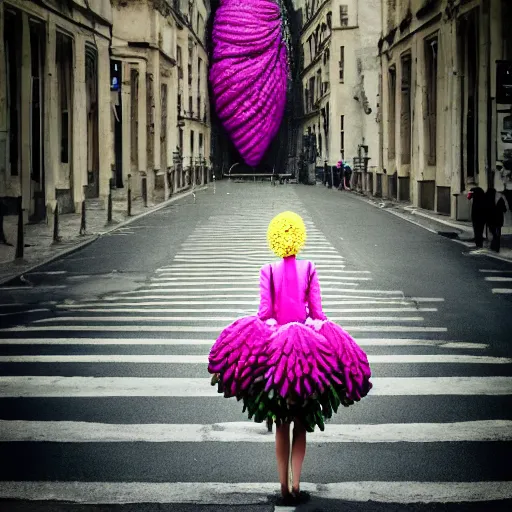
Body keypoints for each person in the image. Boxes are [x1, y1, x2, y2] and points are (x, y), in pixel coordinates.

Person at [208, 211, 373, 505]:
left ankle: (283, 487)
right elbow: (318, 313)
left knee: (281, 423)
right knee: (301, 422)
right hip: (306, 355)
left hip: (276, 356)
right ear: (299, 237)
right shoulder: (309, 268)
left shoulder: (267, 271)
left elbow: (264, 314)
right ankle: (297, 486)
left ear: (274, 239)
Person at [485, 188, 508, 252]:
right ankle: (496, 247)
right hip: (499, 218)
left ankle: (493, 246)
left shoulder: (486, 197)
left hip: (490, 219)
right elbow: (505, 209)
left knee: (494, 232)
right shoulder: (500, 197)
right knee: (498, 233)